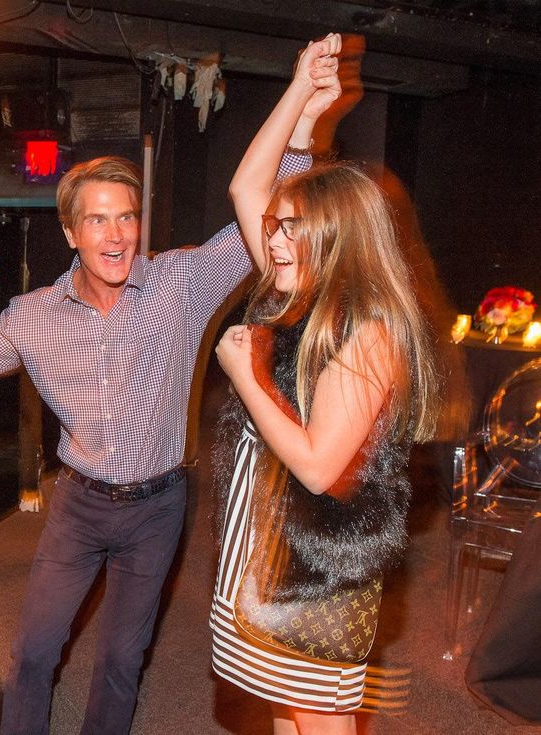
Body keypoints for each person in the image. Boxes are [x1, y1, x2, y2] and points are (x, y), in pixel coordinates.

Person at [0, 77, 336, 733]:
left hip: (157, 505)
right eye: (97, 219)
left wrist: (304, 131)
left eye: (127, 217)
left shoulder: (180, 284)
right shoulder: (34, 316)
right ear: (70, 231)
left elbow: (257, 224)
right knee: (34, 652)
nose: (116, 235)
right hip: (77, 505)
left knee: (120, 658)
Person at [209, 34, 440, 734]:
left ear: (338, 240)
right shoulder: (297, 292)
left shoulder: (367, 331)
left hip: (318, 563)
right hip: (270, 542)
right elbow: (247, 187)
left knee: (320, 718)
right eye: (276, 228)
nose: (273, 241)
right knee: (285, 706)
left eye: (293, 230)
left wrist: (244, 375)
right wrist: (297, 91)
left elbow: (315, 465)